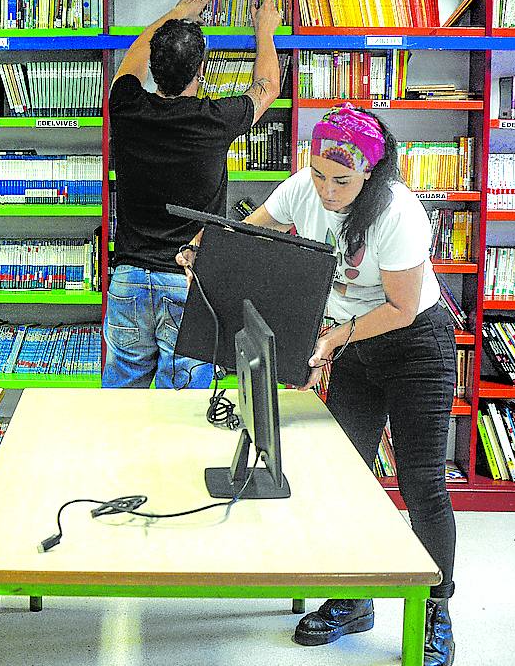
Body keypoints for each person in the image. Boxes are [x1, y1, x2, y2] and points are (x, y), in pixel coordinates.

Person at [178, 104, 456, 666]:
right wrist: (203, 256)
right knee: (348, 476)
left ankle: (434, 609)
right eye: (320, 175)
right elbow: (247, 235)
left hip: (413, 346)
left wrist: (331, 340)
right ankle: (354, 599)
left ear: (372, 174)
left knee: (421, 482)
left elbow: (401, 307)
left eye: (342, 181)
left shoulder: (399, 214)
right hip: (352, 344)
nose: (327, 192)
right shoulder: (305, 186)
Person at [104, 0, 283, 388]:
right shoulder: (215, 120)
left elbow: (131, 60)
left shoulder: (127, 104)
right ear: (201, 71)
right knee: (180, 410)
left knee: (117, 406)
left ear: (153, 66)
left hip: (129, 279)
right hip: (187, 284)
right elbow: (267, 86)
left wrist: (175, 13)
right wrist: (264, 30)